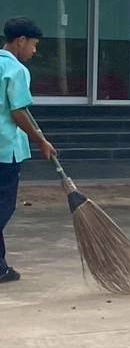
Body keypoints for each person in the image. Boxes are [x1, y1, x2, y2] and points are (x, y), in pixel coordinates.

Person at [1, 18, 56, 284]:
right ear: (20, 41)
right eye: (33, 45)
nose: (34, 51)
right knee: (4, 207)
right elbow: (18, 112)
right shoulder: (16, 70)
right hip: (5, 150)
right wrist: (40, 141)